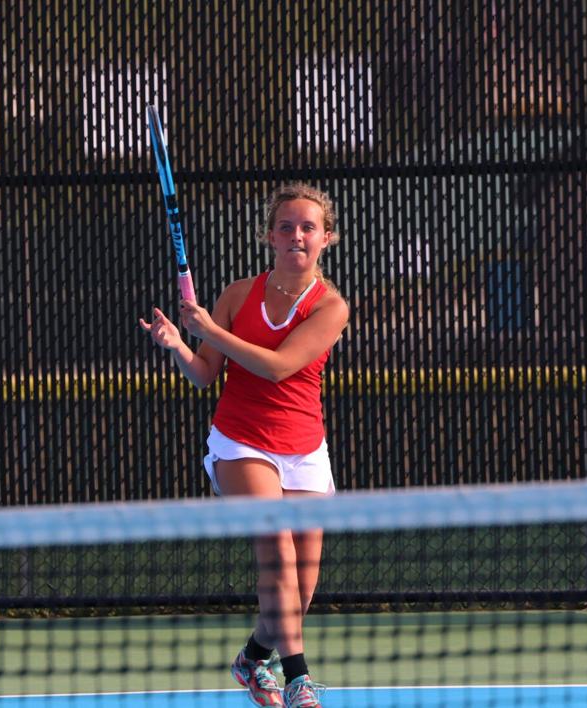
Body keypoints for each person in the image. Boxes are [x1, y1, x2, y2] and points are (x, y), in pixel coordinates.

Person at [139, 183, 349, 708]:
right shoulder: (237, 294)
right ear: (269, 237)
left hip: (304, 448)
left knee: (301, 585)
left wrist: (211, 327)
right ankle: (299, 678)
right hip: (241, 440)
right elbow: (206, 375)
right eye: (286, 227)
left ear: (327, 238)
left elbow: (278, 367)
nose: (296, 235)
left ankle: (254, 658)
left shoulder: (332, 307)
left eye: (307, 227)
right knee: (275, 553)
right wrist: (180, 346)